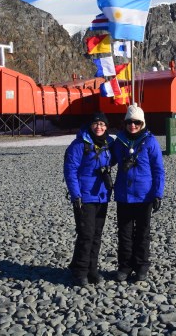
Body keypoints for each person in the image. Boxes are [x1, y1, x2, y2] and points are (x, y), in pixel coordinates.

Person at [111, 104, 165, 282]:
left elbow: (158, 170)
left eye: (136, 122)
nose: (132, 125)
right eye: (129, 122)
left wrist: (158, 193)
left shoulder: (150, 142)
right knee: (124, 234)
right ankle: (125, 266)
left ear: (142, 123)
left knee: (142, 233)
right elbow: (107, 159)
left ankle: (141, 266)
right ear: (125, 123)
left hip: (144, 196)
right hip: (124, 195)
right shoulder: (119, 142)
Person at [63, 112, 115, 286]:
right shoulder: (79, 145)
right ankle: (81, 272)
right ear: (90, 125)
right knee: (86, 234)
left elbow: (116, 158)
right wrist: (75, 195)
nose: (99, 127)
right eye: (96, 124)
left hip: (102, 195)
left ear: (106, 127)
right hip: (84, 196)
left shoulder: (108, 143)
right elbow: (70, 170)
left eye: (102, 124)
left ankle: (92, 269)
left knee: (97, 235)